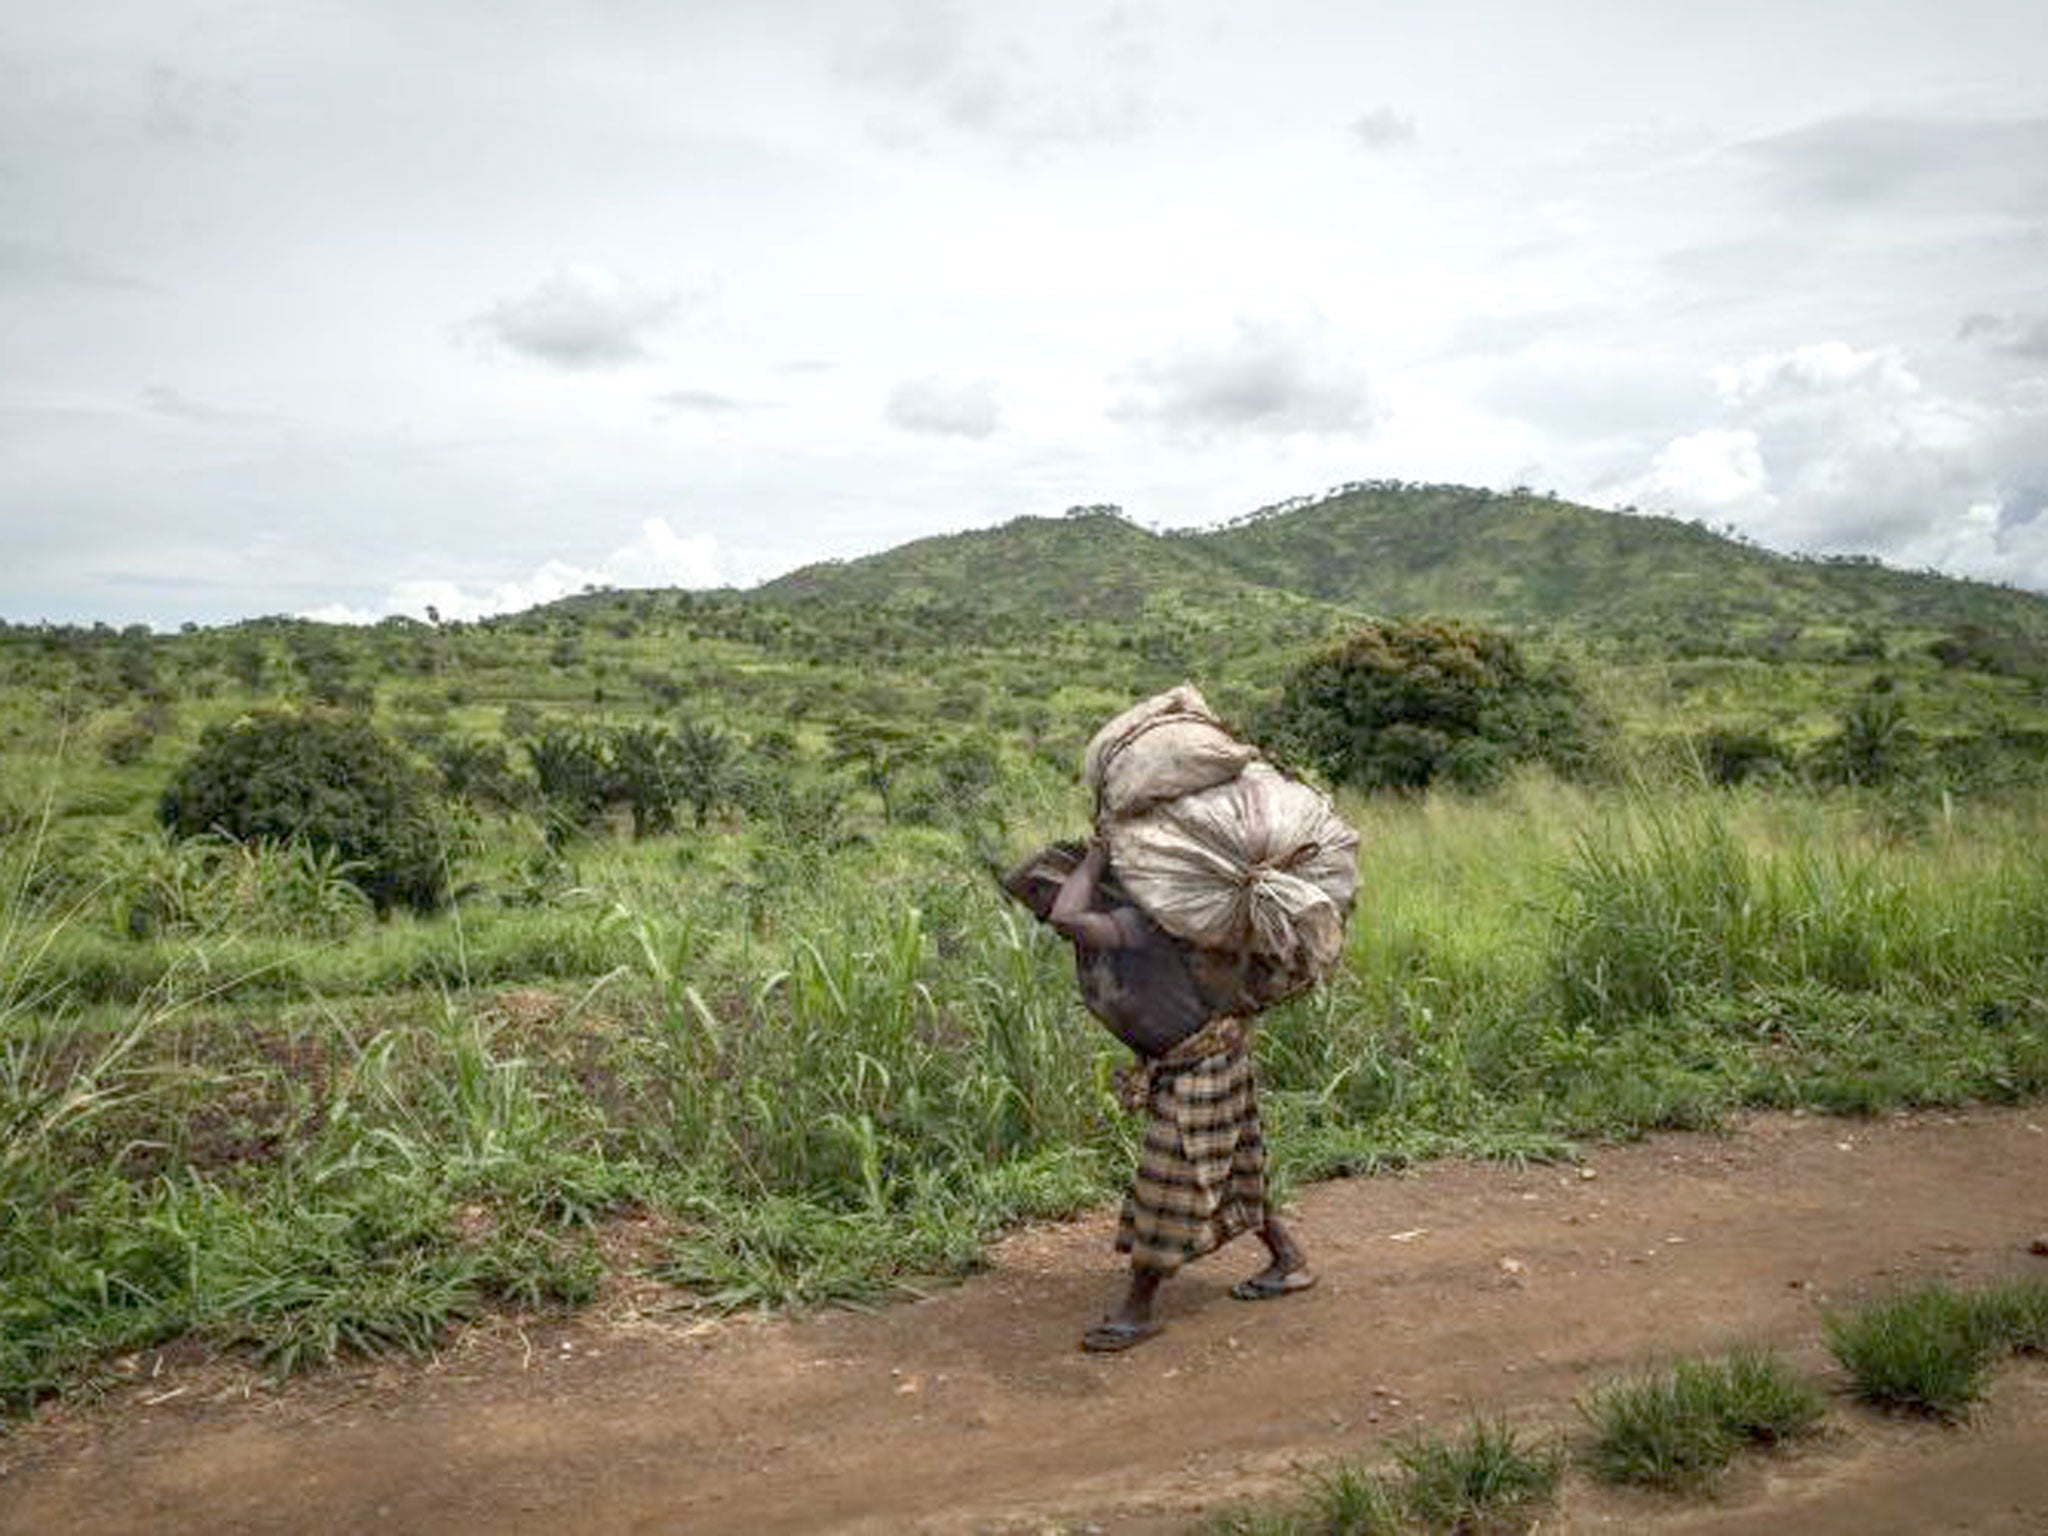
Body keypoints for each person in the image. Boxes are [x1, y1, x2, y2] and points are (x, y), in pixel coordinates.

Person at [1006, 840, 1313, 1352]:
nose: (1037, 906)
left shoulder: (1132, 921)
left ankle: (1137, 1309)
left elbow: (1067, 919)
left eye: (1043, 889)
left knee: (1169, 1179)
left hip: (1206, 1060)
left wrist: (1095, 858)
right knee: (1234, 1166)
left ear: (1081, 883)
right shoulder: (1099, 938)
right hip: (1187, 1062)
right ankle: (1289, 1260)